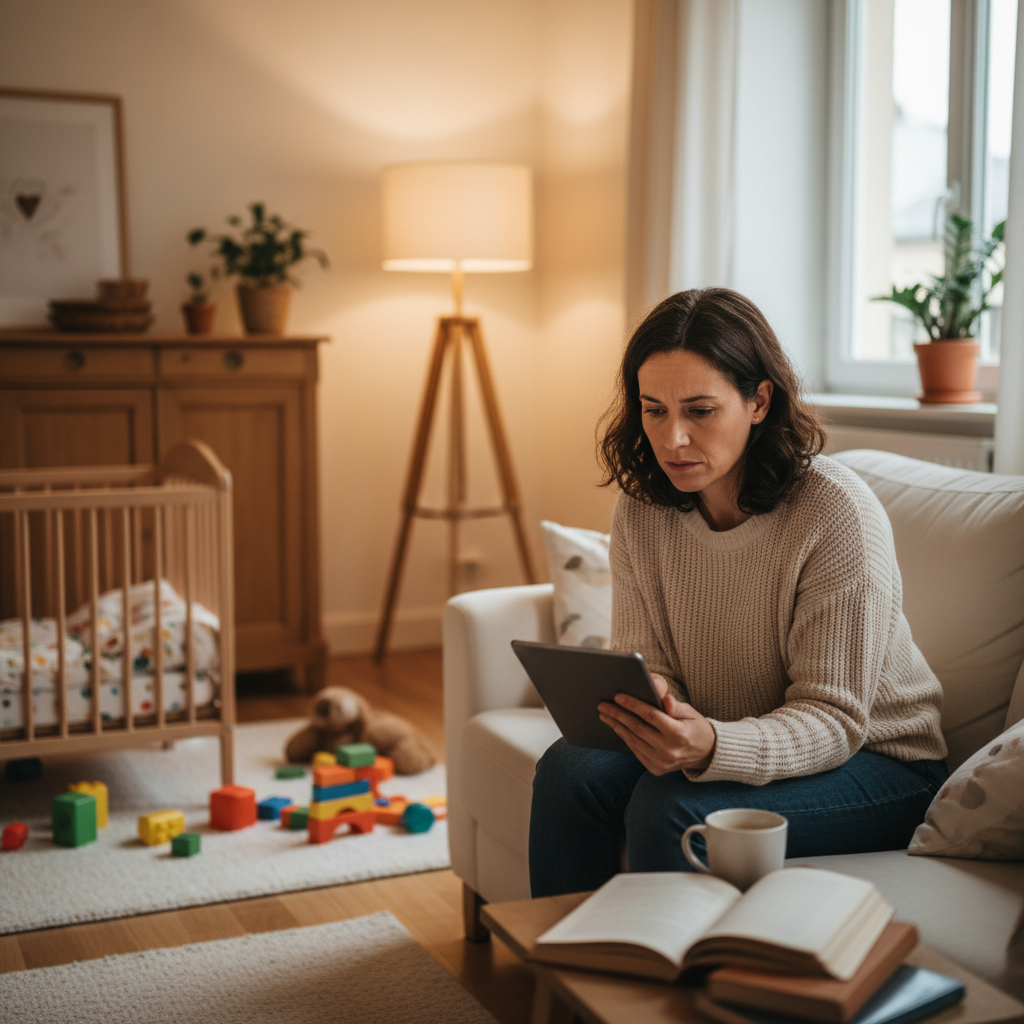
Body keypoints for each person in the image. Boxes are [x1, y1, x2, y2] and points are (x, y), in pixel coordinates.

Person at [528, 288, 949, 899]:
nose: (671, 440)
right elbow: (656, 668)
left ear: (758, 401)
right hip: (733, 727)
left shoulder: (835, 512)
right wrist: (656, 708)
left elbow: (834, 719)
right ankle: (568, 978)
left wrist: (713, 745)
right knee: (569, 769)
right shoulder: (643, 510)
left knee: (669, 809)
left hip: (881, 764)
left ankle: (658, 990)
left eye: (699, 411)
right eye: (653, 410)